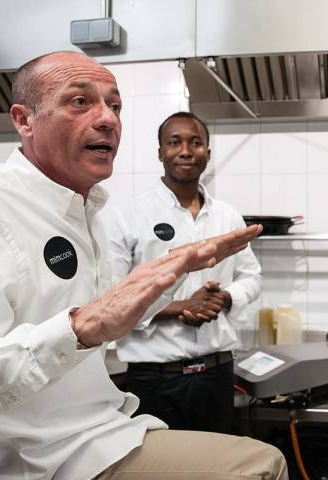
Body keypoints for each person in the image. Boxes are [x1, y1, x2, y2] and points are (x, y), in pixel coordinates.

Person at [0, 51, 287, 480]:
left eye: (116, 106)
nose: (108, 119)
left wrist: (193, 291)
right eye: (79, 101)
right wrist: (84, 326)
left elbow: (115, 311)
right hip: (24, 459)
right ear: (24, 120)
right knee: (259, 466)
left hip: (103, 431)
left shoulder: (87, 215)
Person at [104, 111, 261, 434]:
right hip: (154, 379)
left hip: (217, 374)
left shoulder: (228, 216)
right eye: (174, 142)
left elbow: (252, 277)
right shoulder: (127, 217)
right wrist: (180, 308)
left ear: (208, 153)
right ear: (160, 153)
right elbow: (112, 297)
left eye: (196, 142)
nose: (186, 151)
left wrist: (224, 298)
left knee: (217, 467)